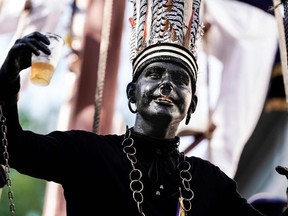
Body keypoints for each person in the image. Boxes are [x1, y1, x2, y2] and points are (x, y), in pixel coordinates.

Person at [0, 1, 288, 216]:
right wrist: (8, 76)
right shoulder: (86, 153)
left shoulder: (210, 182)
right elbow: (10, 145)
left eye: (180, 79)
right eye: (154, 74)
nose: (166, 85)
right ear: (132, 95)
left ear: (192, 106)